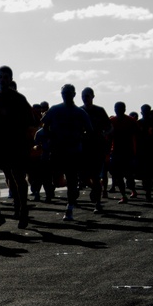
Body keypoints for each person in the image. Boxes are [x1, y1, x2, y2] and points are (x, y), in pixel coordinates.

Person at [0, 66, 34, 228]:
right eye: (1, 77)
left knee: (18, 177)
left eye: (6, 77)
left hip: (14, 143)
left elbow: (30, 121)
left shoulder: (19, 98)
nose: (3, 79)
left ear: (10, 79)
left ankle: (23, 209)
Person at [42, 84, 92, 220]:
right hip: (57, 150)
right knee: (57, 181)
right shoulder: (55, 109)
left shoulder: (80, 112)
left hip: (73, 151)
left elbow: (90, 130)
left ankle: (69, 207)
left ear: (74, 94)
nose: (66, 95)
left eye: (69, 93)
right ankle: (73, 189)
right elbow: (44, 125)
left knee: (71, 178)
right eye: (64, 93)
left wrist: (80, 138)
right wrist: (48, 139)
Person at [80, 87, 111, 211]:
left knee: (96, 176)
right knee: (83, 176)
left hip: (97, 147)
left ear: (92, 96)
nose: (85, 98)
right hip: (84, 148)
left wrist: (104, 134)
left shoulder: (99, 111)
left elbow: (110, 127)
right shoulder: (80, 111)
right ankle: (94, 188)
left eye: (87, 96)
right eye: (83, 96)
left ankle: (98, 203)